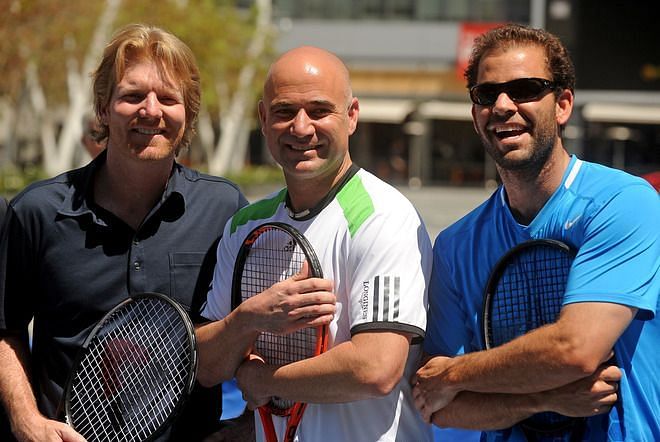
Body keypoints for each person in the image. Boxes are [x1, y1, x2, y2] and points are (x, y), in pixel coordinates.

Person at [0, 24, 248, 441]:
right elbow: (5, 329)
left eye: (168, 99)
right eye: (132, 96)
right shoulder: (36, 212)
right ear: (102, 108)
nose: (151, 111)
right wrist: (26, 418)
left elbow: (254, 335)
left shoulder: (224, 210)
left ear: (187, 113)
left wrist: (243, 428)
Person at [413, 23, 659, 441]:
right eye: (487, 95)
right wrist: (541, 400)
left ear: (563, 105)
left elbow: (575, 350)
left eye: (526, 89)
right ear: (475, 115)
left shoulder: (625, 203)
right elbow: (437, 404)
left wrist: (456, 372)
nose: (503, 105)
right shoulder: (455, 246)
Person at [195, 46, 433, 441]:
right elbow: (204, 366)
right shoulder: (243, 225)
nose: (301, 128)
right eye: (285, 111)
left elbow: (375, 369)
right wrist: (249, 318)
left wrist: (265, 379)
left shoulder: (384, 216)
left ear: (352, 115)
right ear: (263, 118)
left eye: (319, 111)